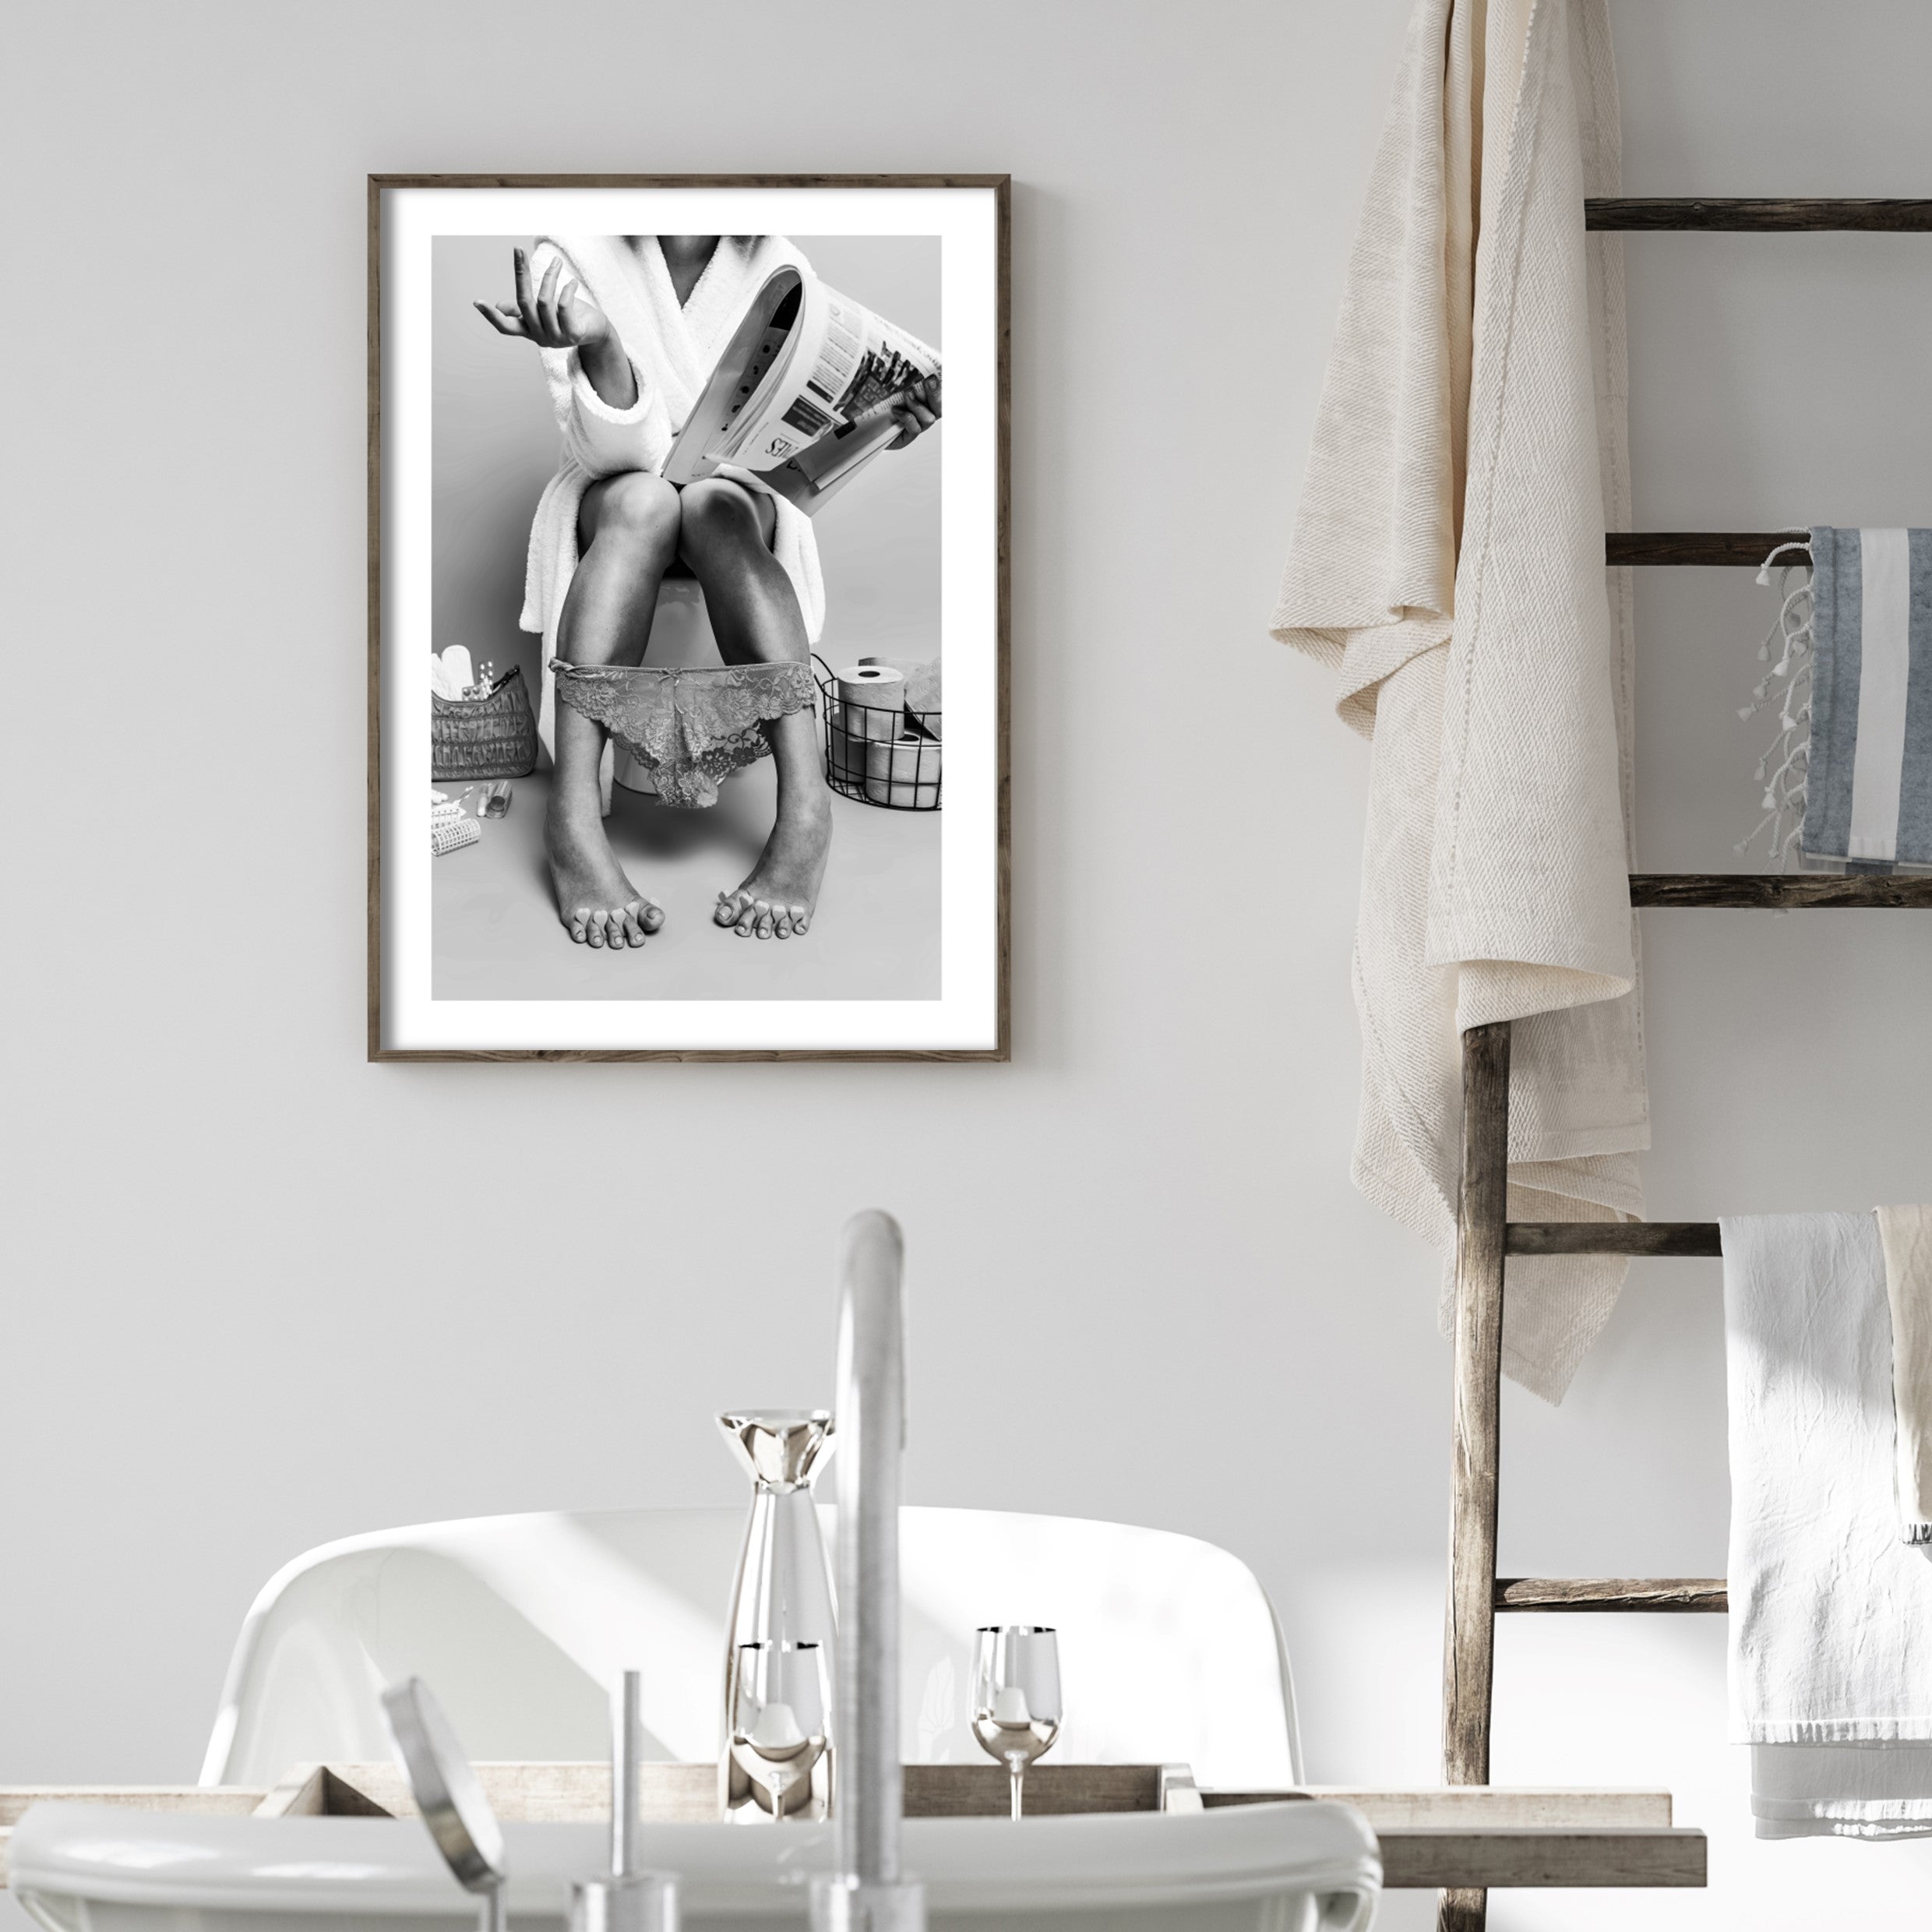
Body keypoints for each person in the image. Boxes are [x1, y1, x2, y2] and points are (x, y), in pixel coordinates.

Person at [478, 234, 939, 947]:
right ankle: (570, 818)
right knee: (647, 503)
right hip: (618, 487)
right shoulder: (570, 253)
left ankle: (806, 810)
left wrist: (881, 426)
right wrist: (600, 346)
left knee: (714, 507)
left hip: (738, 496)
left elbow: (793, 466)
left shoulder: (779, 262)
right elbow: (610, 455)